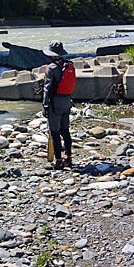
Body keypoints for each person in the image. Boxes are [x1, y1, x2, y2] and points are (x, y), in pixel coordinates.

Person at [42, 41, 76, 170]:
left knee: (55, 133)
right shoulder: (69, 65)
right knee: (65, 131)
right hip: (67, 101)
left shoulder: (51, 68)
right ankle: (69, 158)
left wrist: (45, 106)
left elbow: (47, 88)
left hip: (55, 103)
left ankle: (58, 161)